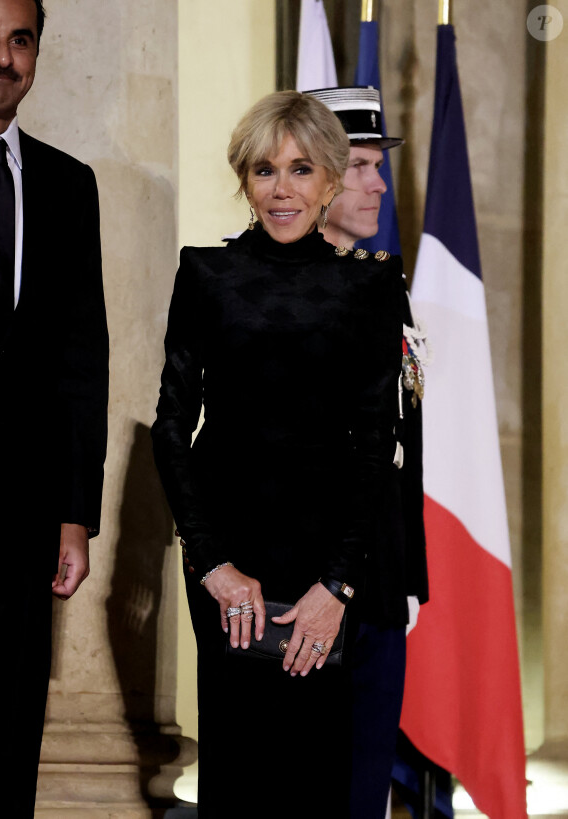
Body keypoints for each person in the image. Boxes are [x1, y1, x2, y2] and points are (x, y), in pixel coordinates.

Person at [152, 90, 411, 819]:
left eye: (301, 170)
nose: (283, 189)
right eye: (265, 171)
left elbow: (375, 444)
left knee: (318, 778)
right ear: (245, 180)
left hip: (327, 571)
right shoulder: (205, 274)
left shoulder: (370, 284)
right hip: (229, 565)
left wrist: (338, 586)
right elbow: (171, 428)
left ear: (330, 180)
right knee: (239, 775)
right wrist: (213, 565)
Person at [0, 0, 109, 814]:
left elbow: (81, 357)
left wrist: (75, 513)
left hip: (24, 513)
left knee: (9, 722)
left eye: (19, 40)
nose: (3, 56)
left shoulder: (69, 184)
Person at [306, 86, 430, 817]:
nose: (379, 182)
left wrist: (408, 574)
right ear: (315, 173)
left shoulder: (386, 284)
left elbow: (402, 444)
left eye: (377, 165)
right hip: (308, 584)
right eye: (359, 165)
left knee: (362, 793)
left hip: (380, 585)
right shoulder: (265, 287)